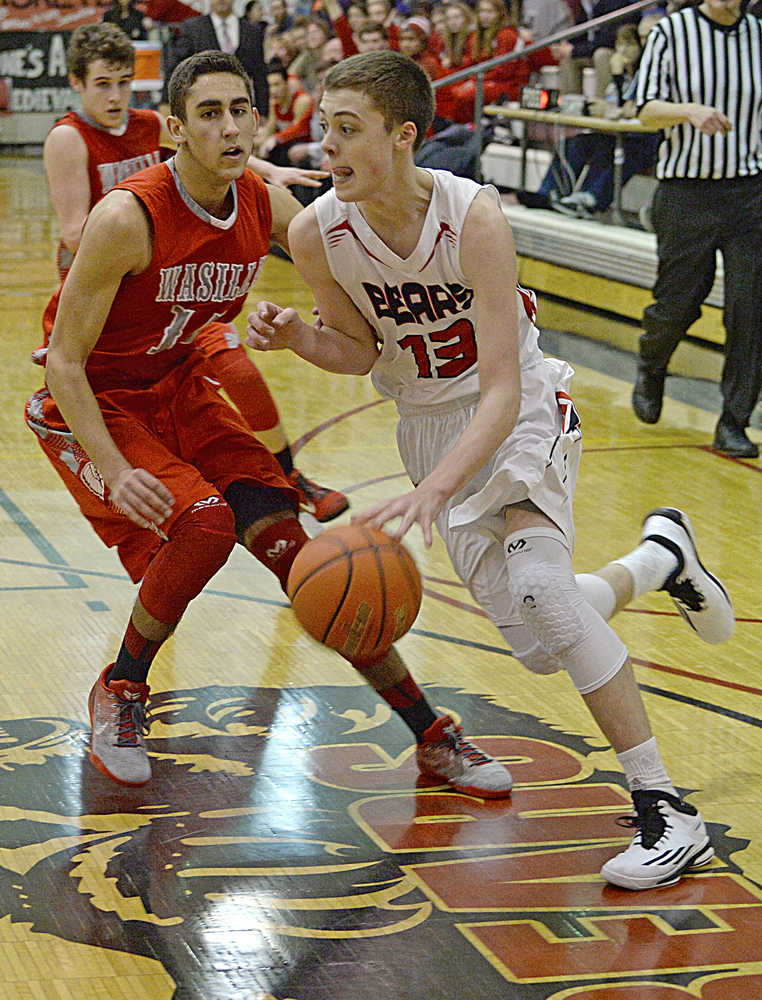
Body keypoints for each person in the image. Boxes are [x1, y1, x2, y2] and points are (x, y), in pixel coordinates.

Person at [246, 49, 735, 891]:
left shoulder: (472, 217)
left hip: (518, 413)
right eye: (325, 127)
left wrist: (437, 493)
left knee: (545, 589)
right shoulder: (314, 231)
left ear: (404, 137)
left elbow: (505, 387)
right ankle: (659, 560)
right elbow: (358, 350)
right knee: (546, 646)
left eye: (348, 129)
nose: (326, 146)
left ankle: (666, 809)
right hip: (425, 426)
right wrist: (299, 338)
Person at [26, 49, 513, 805]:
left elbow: (355, 239)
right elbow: (63, 363)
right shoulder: (129, 216)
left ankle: (429, 733)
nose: (231, 126)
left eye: (241, 110)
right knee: (205, 524)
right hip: (97, 398)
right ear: (177, 132)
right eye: (210, 113)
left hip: (182, 385)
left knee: (306, 558)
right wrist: (117, 469)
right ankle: (119, 689)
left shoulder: (266, 203)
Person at [42, 24, 347, 523]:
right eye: (103, 84)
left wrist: (270, 175)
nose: (116, 95)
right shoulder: (69, 139)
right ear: (78, 84)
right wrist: (132, 227)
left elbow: (216, 148)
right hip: (121, 294)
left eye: (123, 81)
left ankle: (289, 476)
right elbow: (77, 230)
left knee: (239, 369)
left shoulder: (147, 123)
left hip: (177, 282)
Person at [631, 0, 762, 458]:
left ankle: (734, 421)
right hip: (688, 192)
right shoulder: (672, 32)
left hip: (750, 192)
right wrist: (688, 111)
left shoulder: (757, 33)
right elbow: (644, 110)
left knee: (751, 311)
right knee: (679, 303)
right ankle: (652, 361)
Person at [515, 23, 659, 218]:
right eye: (620, 44)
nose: (625, 50)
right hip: (623, 132)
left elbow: (636, 108)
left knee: (624, 151)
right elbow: (617, 104)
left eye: (632, 43)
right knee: (578, 142)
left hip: (649, 140)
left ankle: (590, 200)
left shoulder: (655, 72)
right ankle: (550, 193)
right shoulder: (628, 73)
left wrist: (617, 88)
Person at [162, 0, 269, 115]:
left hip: (240, 107)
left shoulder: (252, 31)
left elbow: (260, 74)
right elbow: (176, 69)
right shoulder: (191, 29)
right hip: (203, 107)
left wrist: (263, 112)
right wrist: (166, 102)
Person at [255, 58, 315, 166]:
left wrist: (275, 138)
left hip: (304, 144)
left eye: (277, 84)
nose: (273, 90)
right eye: (270, 85)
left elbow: (300, 130)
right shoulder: (275, 102)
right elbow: (270, 128)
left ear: (287, 83)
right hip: (285, 144)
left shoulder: (301, 100)